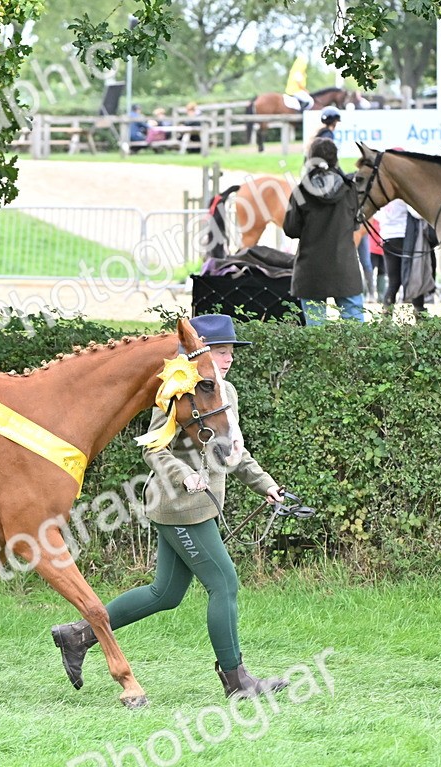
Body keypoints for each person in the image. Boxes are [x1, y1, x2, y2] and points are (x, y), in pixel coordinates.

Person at [51, 314, 289, 700]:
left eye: (231, 352)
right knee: (224, 582)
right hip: (178, 505)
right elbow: (152, 446)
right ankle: (236, 681)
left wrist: (267, 485)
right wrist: (183, 475)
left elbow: (233, 452)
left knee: (166, 594)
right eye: (220, 351)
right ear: (199, 353)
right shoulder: (177, 391)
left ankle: (77, 635)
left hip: (203, 507)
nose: (227, 359)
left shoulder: (226, 394)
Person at [284, 138, 365, 325]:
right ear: (335, 159)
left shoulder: (301, 192)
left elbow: (291, 229)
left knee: (315, 335)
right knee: (357, 333)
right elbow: (355, 224)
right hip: (345, 268)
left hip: (311, 270)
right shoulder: (350, 189)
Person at [376, 197, 420, 314]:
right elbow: (416, 213)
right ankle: (419, 311)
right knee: (412, 276)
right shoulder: (401, 197)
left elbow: (376, 215)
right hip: (403, 236)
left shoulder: (383, 196)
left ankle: (387, 313)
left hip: (386, 237)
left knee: (393, 281)